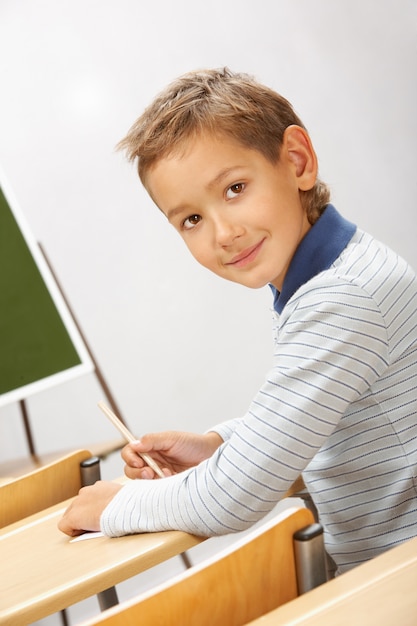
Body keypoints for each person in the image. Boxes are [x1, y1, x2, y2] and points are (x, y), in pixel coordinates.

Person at [58, 67, 417, 575]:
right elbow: (331, 415)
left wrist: (116, 507)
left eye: (235, 188)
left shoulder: (339, 298)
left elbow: (232, 499)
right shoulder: (339, 271)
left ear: (297, 161)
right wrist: (220, 446)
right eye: (191, 219)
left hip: (396, 583)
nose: (223, 233)